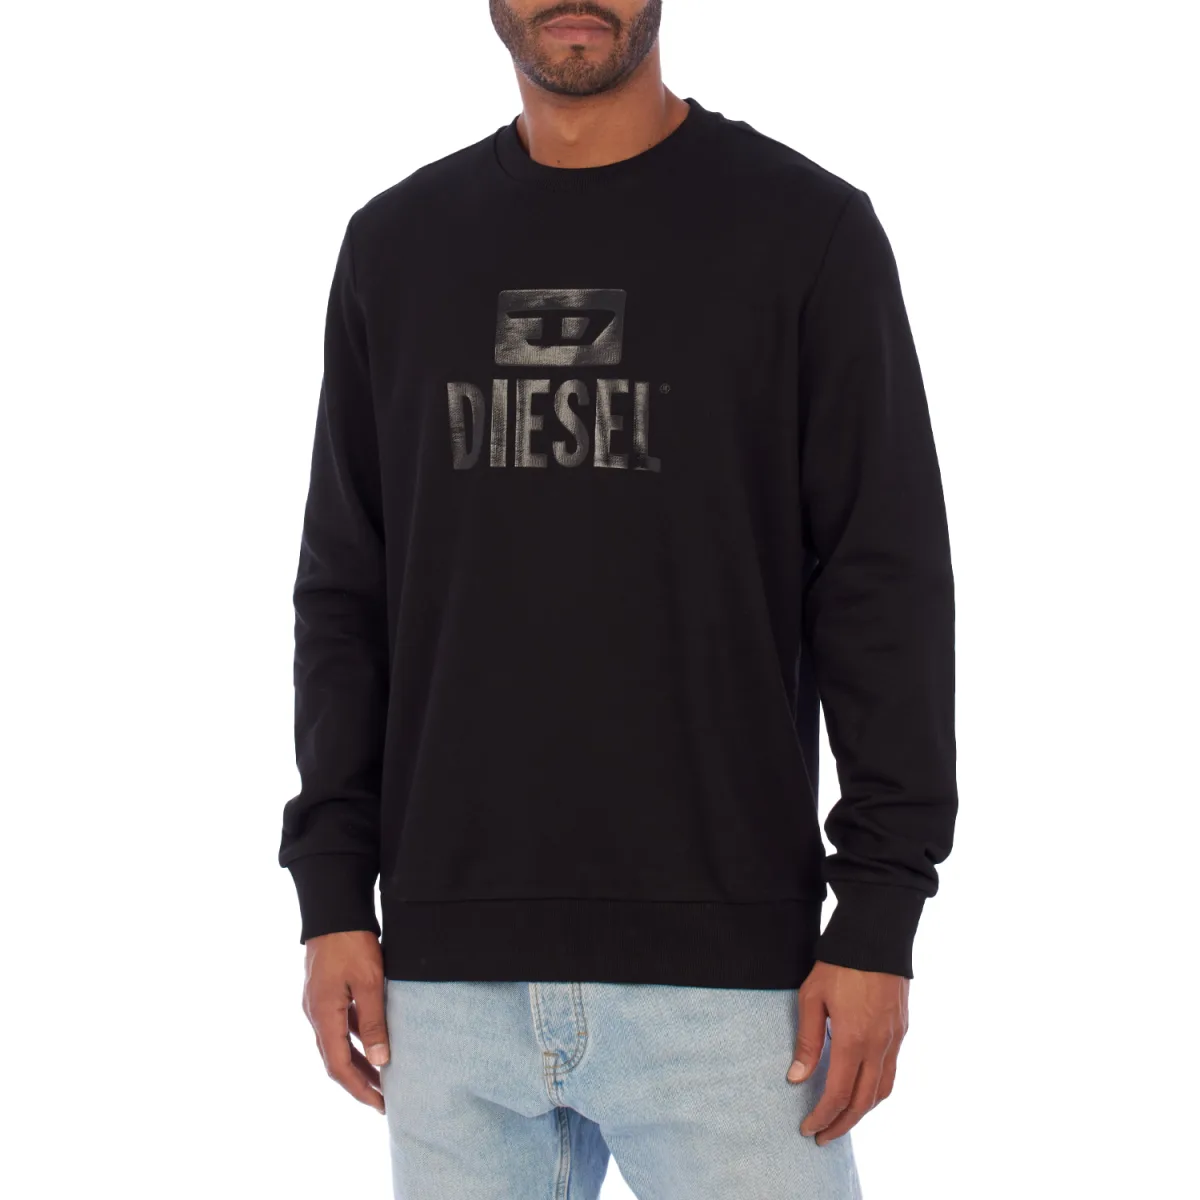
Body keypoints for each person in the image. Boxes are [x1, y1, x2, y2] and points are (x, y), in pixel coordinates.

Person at [278, 2, 958, 1196]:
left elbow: (882, 583)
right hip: (443, 985)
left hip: (731, 987)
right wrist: (333, 897)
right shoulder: (396, 245)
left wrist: (879, 913)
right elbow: (347, 590)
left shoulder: (805, 231)